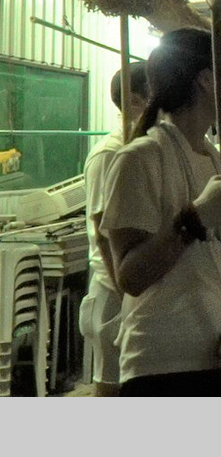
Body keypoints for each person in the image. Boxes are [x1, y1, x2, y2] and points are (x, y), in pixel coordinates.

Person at [100, 28, 221, 396]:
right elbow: (130, 276)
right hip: (161, 366)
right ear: (207, 81)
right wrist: (196, 220)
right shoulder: (139, 158)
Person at [77, 62, 148, 397]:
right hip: (113, 290)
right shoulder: (110, 153)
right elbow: (102, 228)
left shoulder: (140, 147)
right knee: (111, 387)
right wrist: (126, 288)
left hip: (131, 291)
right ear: (135, 101)